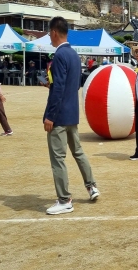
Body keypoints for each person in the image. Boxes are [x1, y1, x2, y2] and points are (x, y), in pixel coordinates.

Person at [41, 16, 99, 215]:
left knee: (58, 158)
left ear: (54, 32)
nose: (49, 36)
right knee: (78, 152)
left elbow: (58, 89)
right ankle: (91, 186)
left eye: (49, 32)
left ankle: (64, 199)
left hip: (58, 116)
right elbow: (74, 85)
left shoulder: (59, 57)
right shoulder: (75, 55)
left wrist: (50, 115)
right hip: (72, 113)